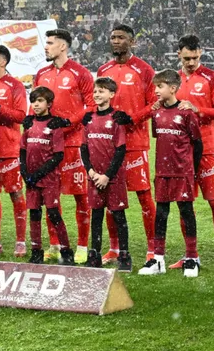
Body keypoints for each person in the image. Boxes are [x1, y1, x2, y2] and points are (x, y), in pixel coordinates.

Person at [33, 29, 95, 262]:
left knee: (81, 196)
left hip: (73, 144)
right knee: (50, 197)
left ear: (63, 46)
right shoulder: (41, 74)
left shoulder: (81, 73)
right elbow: (35, 105)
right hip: (47, 146)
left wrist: (67, 124)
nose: (46, 47)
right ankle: (56, 244)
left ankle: (82, 246)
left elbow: (91, 107)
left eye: (50, 43)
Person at [96, 24, 156, 265]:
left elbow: (154, 104)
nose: (116, 41)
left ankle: (153, 248)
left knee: (143, 196)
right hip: (107, 145)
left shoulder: (144, 70)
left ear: (132, 42)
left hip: (134, 143)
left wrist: (132, 119)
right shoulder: (104, 69)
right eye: (113, 37)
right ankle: (114, 248)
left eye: (121, 37)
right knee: (109, 197)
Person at [174, 35, 214, 272]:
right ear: (179, 54)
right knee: (184, 204)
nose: (191, 63)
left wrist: (197, 109)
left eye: (195, 58)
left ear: (201, 53)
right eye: (187, 58)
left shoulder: (212, 77)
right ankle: (191, 255)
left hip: (207, 149)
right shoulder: (172, 79)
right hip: (180, 152)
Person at [139, 69, 203, 278]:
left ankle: (192, 258)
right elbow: (159, 138)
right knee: (161, 214)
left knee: (186, 212)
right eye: (155, 87)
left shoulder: (186, 113)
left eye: (160, 86)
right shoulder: (156, 113)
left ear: (173, 88)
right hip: (162, 172)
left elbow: (198, 144)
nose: (156, 91)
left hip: (182, 172)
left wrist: (191, 170)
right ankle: (158, 259)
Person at [0, 45, 28, 258]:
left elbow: (20, 116)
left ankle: (21, 241)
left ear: (3, 61)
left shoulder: (15, 85)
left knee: (16, 194)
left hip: (9, 149)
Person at [81, 77, 131, 272]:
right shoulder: (89, 119)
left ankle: (124, 256)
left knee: (119, 216)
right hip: (94, 178)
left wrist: (107, 175)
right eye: (95, 91)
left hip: (113, 178)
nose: (96, 94)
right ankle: (94, 255)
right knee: (96, 216)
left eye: (101, 91)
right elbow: (83, 148)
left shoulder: (116, 119)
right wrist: (91, 171)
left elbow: (120, 150)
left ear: (111, 94)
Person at [20, 86, 73, 265]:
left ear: (49, 104)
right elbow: (22, 150)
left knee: (53, 214)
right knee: (34, 214)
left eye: (40, 101)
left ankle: (66, 251)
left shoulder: (54, 125)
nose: (36, 104)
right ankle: (36, 251)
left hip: (49, 179)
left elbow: (58, 155)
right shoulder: (29, 124)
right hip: (31, 179)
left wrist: (38, 174)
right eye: (33, 101)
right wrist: (25, 173)